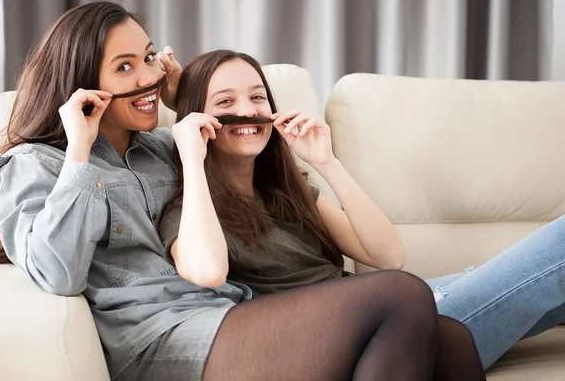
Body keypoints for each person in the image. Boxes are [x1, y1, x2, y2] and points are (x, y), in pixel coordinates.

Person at [0, 2, 484, 381]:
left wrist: (178, 92)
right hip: (154, 342)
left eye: (150, 57)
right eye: (125, 66)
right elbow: (57, 273)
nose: (147, 74)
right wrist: (80, 154)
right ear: (83, 82)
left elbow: (214, 129)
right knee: (401, 294)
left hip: (227, 312)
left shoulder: (157, 147)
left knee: (452, 340)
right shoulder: (31, 165)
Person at [168, 48, 565, 373]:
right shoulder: (190, 213)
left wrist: (327, 163)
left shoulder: (287, 190)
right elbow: (206, 272)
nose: (249, 110)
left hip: (389, 308)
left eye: (258, 97)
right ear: (198, 119)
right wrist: (192, 157)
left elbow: (386, 255)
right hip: (357, 331)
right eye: (226, 102)